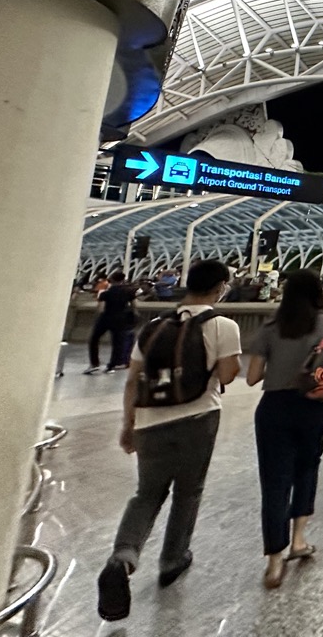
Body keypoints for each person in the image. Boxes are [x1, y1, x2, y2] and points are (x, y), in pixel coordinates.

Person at [96, 260, 241, 622]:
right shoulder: (223, 326)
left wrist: (128, 424)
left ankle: (124, 556)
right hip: (197, 417)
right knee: (188, 491)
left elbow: (133, 380)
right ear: (220, 287)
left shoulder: (155, 326)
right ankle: (173, 559)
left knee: (147, 493)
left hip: (148, 419)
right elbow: (227, 374)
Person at [245, 269, 323, 588]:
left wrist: (282, 365)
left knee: (274, 482)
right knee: (307, 468)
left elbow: (252, 376)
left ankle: (274, 562)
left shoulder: (272, 326)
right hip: (314, 406)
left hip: (274, 407)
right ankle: (299, 540)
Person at [86, 271, 137, 375]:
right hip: (121, 319)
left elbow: (101, 308)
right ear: (123, 280)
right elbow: (134, 306)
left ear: (112, 280)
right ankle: (112, 366)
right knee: (117, 343)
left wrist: (97, 318)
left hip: (106, 317)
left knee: (94, 339)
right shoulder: (128, 292)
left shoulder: (106, 293)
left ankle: (94, 363)